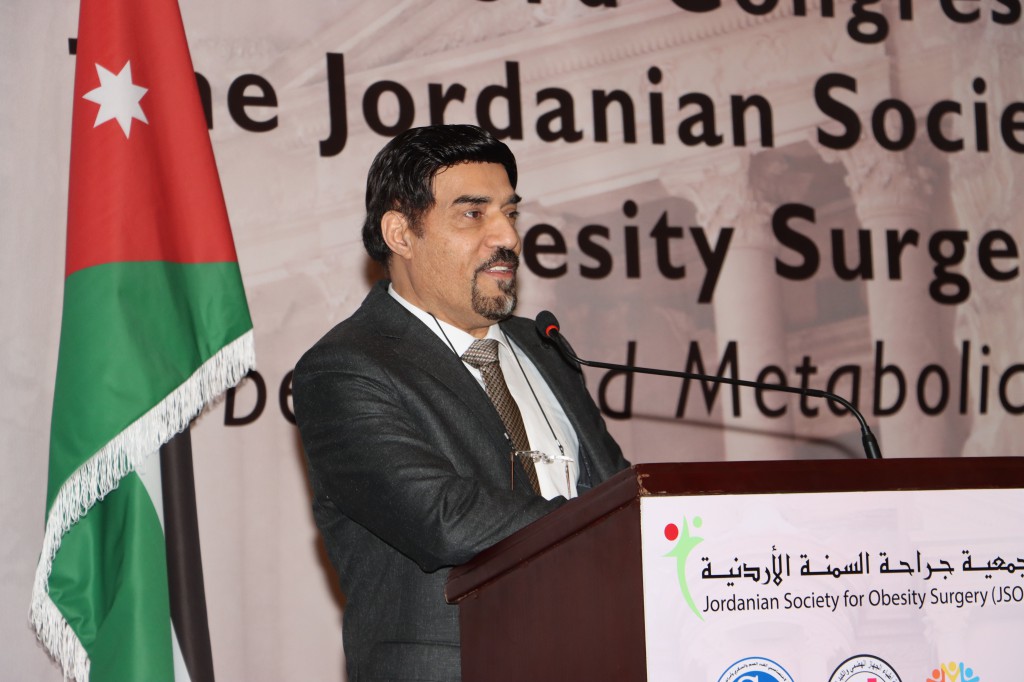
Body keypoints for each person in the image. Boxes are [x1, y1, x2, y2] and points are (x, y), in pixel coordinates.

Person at [292, 124, 629, 682]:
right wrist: (615, 525)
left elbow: (611, 486)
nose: (508, 236)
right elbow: (444, 519)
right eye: (474, 214)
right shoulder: (346, 367)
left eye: (510, 212)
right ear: (401, 233)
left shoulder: (543, 347)